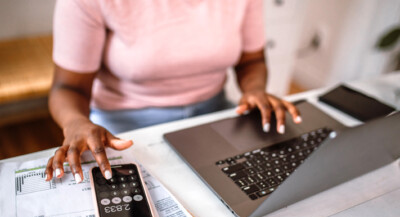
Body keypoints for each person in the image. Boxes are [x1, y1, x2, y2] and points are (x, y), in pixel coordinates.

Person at [45, 0, 302, 183]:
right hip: (121, 127)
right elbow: (69, 87)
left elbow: (251, 60)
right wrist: (75, 122)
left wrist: (255, 89)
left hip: (212, 113)